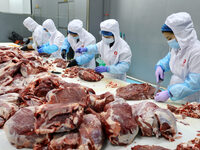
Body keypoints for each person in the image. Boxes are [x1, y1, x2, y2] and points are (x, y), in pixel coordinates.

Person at [155, 12, 200, 103]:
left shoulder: (196, 52)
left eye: (169, 38)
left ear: (181, 35)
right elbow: (168, 59)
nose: (168, 42)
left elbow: (194, 83)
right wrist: (160, 67)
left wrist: (169, 93)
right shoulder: (178, 47)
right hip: (174, 95)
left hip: (191, 98)